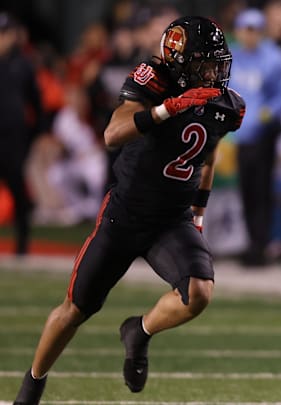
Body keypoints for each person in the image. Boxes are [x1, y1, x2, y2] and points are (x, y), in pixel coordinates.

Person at [13, 16, 245, 404]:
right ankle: (33, 384)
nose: (214, 73)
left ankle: (140, 331)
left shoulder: (226, 104)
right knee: (76, 309)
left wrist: (199, 217)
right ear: (180, 61)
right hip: (125, 213)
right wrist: (168, 108)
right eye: (205, 64)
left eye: (217, 63)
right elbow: (112, 134)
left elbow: (208, 154)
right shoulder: (153, 77)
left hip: (172, 219)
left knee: (199, 293)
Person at [228, 8, 281, 266]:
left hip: (263, 132)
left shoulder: (275, 57)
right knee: (246, 189)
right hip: (239, 132)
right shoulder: (231, 58)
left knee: (261, 189)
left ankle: (260, 244)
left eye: (255, 30)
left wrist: (268, 115)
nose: (250, 35)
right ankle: (251, 241)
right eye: (246, 30)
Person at [0, 12, 45, 255]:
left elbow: (36, 104)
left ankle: (22, 243)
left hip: (13, 137)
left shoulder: (23, 64)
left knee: (18, 189)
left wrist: (34, 134)